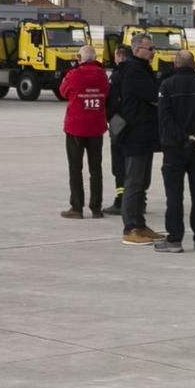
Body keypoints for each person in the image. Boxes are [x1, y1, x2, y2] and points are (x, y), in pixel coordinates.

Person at [155, 50, 195, 253]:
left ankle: (175, 240)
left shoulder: (166, 86)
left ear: (175, 65)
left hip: (174, 148)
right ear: (194, 65)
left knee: (174, 195)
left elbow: (165, 119)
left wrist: (183, 137)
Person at [110, 34, 161, 244]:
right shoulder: (134, 70)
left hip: (143, 133)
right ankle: (130, 228)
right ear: (138, 49)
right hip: (135, 134)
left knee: (141, 182)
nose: (153, 52)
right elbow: (153, 94)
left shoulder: (139, 68)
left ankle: (139, 224)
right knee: (133, 181)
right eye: (150, 48)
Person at [58, 42, 109, 219]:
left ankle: (77, 207)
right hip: (96, 127)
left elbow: (63, 92)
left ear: (80, 59)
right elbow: (107, 94)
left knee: (75, 168)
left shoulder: (74, 75)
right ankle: (96, 208)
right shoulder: (102, 75)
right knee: (96, 169)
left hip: (76, 127)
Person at [108, 43, 132, 209]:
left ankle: (120, 200)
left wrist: (110, 119)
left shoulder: (115, 76)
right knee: (135, 162)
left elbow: (109, 102)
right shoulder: (138, 74)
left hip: (118, 122)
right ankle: (138, 199)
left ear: (118, 57)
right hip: (135, 123)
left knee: (118, 162)